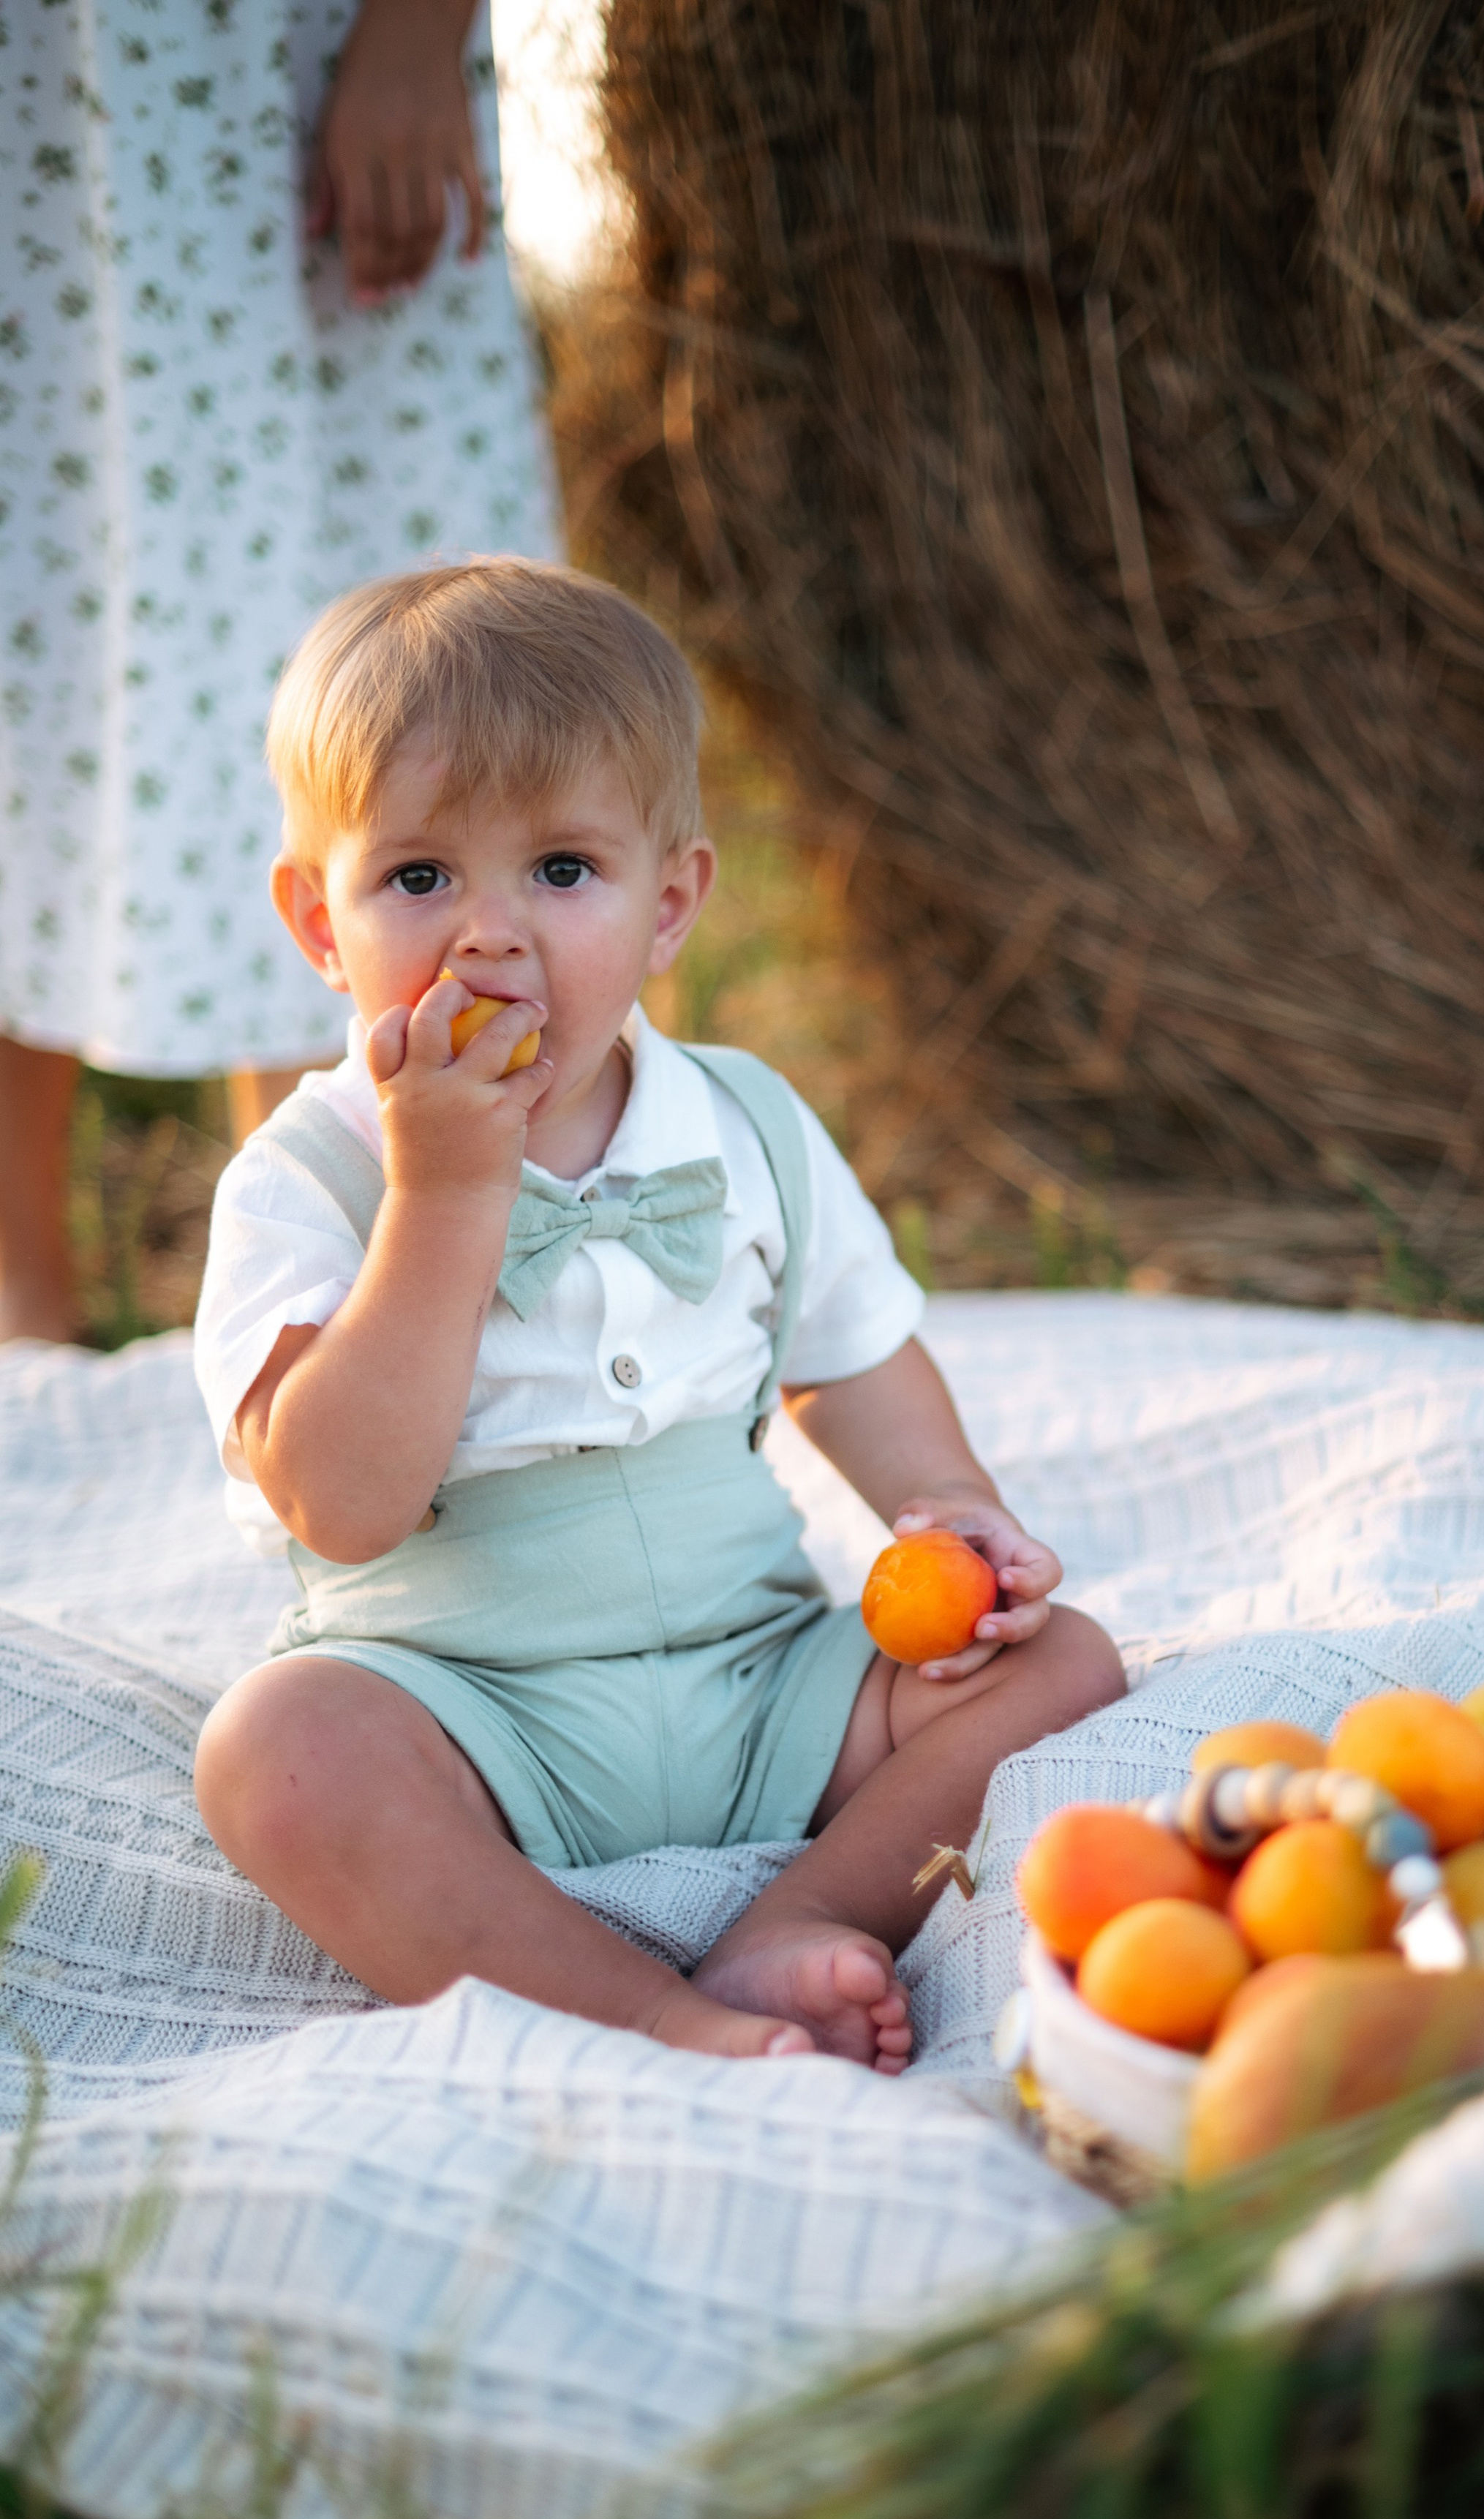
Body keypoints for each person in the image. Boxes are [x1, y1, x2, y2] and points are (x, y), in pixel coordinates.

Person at [191, 562, 1125, 2068]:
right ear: (319, 918)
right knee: (274, 1759)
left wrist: (951, 1511)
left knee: (1065, 1659)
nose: (489, 936)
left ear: (669, 901)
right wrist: (440, 1197)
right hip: (466, 1708)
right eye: (420, 877)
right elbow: (345, 1505)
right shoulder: (304, 1178)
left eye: (561, 870)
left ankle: (798, 1916)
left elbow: (859, 1363)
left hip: (759, 1682)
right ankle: (649, 2015)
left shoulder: (743, 1125)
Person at [0, 0, 558, 1344]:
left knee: (378, 677)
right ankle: (22, 1314)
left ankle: (358, 1302)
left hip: (268, 72)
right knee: (35, 653)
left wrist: (419, 32)